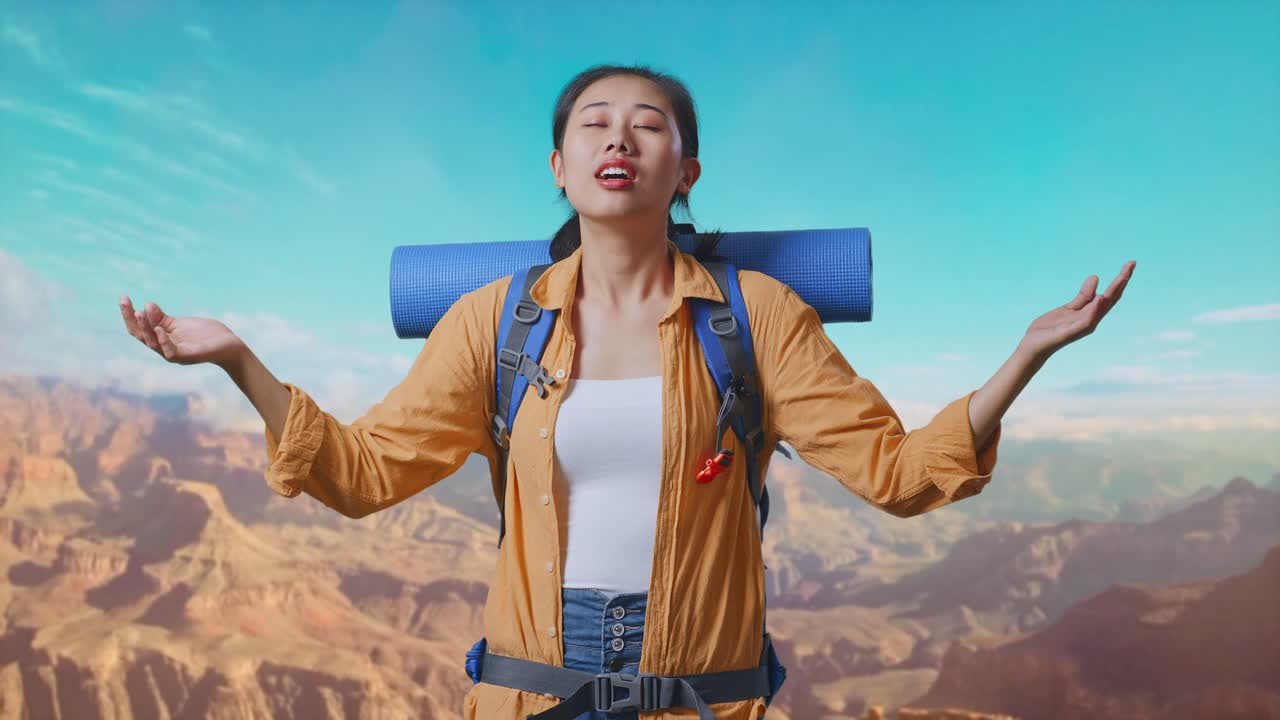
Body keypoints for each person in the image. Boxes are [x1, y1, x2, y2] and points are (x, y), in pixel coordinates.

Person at [119, 63, 1133, 720]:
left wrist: (1025, 355)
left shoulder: (757, 317)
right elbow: (363, 471)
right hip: (530, 698)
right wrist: (240, 363)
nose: (619, 138)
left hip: (703, 701)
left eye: (648, 126)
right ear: (558, 167)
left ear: (684, 167)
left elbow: (898, 474)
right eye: (593, 124)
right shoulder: (494, 321)